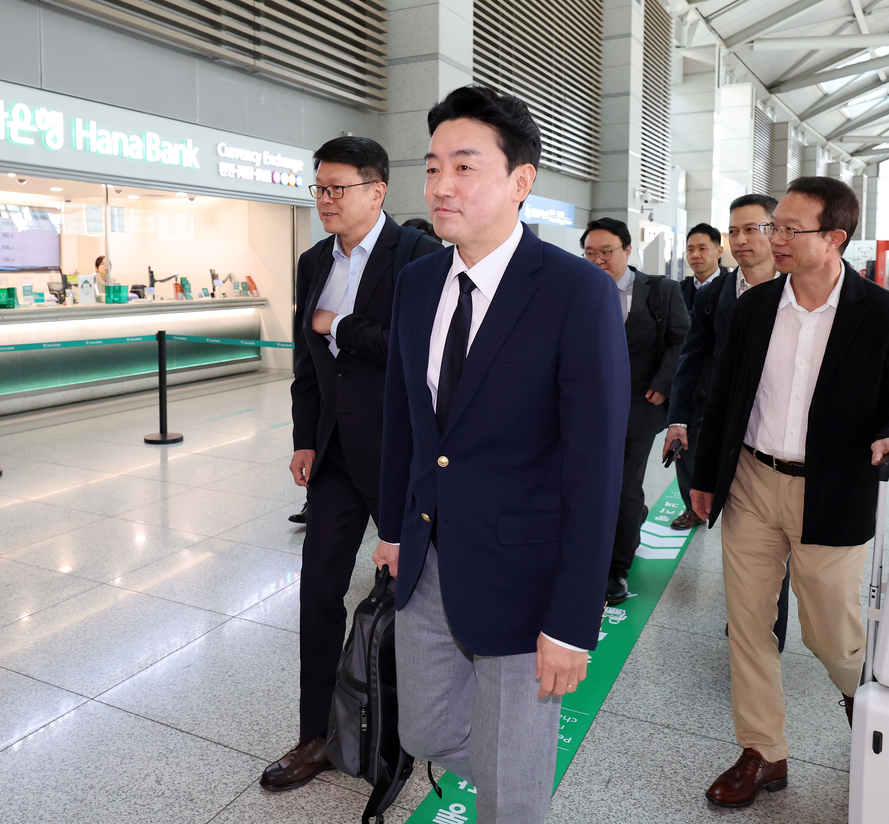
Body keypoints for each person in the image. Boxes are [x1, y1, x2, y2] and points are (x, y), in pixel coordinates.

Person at [371, 85, 629, 823]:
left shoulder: (576, 293)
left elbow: (594, 469)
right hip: (429, 557)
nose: (441, 186)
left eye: (464, 166)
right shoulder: (420, 281)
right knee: (423, 729)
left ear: (522, 181)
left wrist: (573, 621)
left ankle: (514, 785)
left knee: (513, 795)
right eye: (431, 168)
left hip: (527, 576)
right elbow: (406, 420)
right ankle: (507, 764)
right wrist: (393, 527)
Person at [690, 177, 889, 809]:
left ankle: (870, 710)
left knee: (832, 633)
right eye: (775, 227)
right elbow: (724, 398)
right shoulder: (755, 307)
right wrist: (706, 477)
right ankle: (762, 751)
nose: (775, 240)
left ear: (835, 239)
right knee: (748, 625)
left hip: (832, 492)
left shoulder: (881, 316)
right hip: (751, 482)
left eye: (790, 230)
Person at [267, 136, 443, 791]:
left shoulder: (421, 257)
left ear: (378, 191)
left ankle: (408, 734)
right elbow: (304, 359)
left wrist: (338, 324)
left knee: (415, 604)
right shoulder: (314, 259)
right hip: (337, 456)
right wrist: (305, 437)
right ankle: (318, 734)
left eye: (338, 187)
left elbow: (418, 349)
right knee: (319, 593)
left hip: (403, 458)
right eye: (318, 187)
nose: (325, 200)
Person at [663, 194, 792, 651]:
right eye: (733, 231)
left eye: (751, 229)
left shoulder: (801, 290)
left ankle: (770, 620)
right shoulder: (714, 294)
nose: (740, 240)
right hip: (729, 434)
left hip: (786, 439)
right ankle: (750, 622)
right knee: (741, 534)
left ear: (775, 230)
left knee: (783, 545)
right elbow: (693, 358)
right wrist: (677, 419)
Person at [581, 217, 688, 604]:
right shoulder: (578, 290)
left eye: (606, 252)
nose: (597, 260)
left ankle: (615, 568)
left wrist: (662, 385)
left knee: (623, 487)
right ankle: (587, 553)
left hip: (636, 408)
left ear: (627, 250)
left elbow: (682, 341)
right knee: (587, 485)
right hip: (583, 409)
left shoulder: (660, 291)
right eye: (590, 253)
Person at [681, 223, 726, 311]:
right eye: (690, 250)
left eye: (702, 249)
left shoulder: (731, 286)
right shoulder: (679, 290)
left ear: (719, 251)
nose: (695, 255)